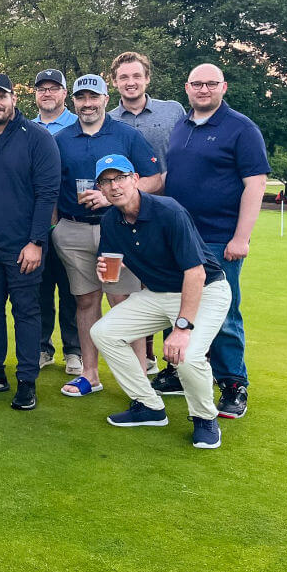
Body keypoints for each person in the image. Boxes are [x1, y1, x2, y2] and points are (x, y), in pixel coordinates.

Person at [89, 155, 232, 449]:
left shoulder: (169, 211)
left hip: (206, 290)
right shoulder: (110, 220)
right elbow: (114, 268)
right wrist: (105, 271)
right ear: (100, 189)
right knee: (103, 332)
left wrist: (181, 328)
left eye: (120, 178)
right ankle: (149, 405)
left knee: (188, 355)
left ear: (135, 179)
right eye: (106, 181)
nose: (114, 186)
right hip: (158, 293)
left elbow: (195, 272)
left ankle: (205, 418)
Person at [159, 63, 269, 419]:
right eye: (196, 84)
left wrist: (241, 237)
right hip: (179, 236)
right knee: (177, 306)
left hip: (220, 238)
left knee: (224, 313)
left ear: (224, 87)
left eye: (210, 84)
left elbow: (256, 185)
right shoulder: (182, 126)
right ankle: (179, 371)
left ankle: (234, 384)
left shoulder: (241, 129)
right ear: (187, 88)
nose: (203, 89)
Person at [52, 74, 162, 397]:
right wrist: (57, 226)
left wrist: (114, 196)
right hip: (73, 231)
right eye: (81, 98)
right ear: (73, 101)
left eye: (93, 97)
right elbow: (50, 185)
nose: (87, 104)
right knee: (85, 301)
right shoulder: (61, 139)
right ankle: (90, 374)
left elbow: (154, 179)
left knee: (125, 303)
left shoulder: (126, 135)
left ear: (104, 99)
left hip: (118, 229)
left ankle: (139, 377)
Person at [0, 73, 60, 411]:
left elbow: (47, 194)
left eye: (0, 97)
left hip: (23, 244)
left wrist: (36, 241)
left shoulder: (37, 137)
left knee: (26, 312)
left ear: (13, 98)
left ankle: (27, 380)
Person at [108, 50, 187, 373]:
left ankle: (177, 366)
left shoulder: (173, 112)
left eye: (136, 76)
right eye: (124, 77)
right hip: (128, 216)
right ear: (115, 82)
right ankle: (148, 357)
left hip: (169, 213)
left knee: (174, 287)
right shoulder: (109, 119)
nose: (130, 82)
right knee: (137, 287)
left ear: (147, 78)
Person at [31, 69, 81, 376]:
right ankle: (41, 347)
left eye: (53, 88)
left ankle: (73, 350)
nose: (47, 93)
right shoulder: (25, 127)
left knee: (72, 288)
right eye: (42, 89)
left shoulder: (78, 126)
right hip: (36, 220)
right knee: (39, 287)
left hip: (68, 219)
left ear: (64, 93)